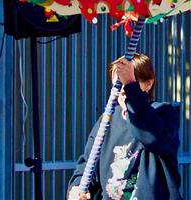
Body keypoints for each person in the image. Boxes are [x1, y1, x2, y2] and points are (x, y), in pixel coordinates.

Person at [67, 54, 182, 200]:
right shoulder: (106, 120)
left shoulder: (163, 113)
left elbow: (152, 137)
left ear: (148, 83)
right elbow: (87, 165)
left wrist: (131, 87)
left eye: (126, 83)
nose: (122, 89)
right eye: (117, 83)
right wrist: (77, 188)